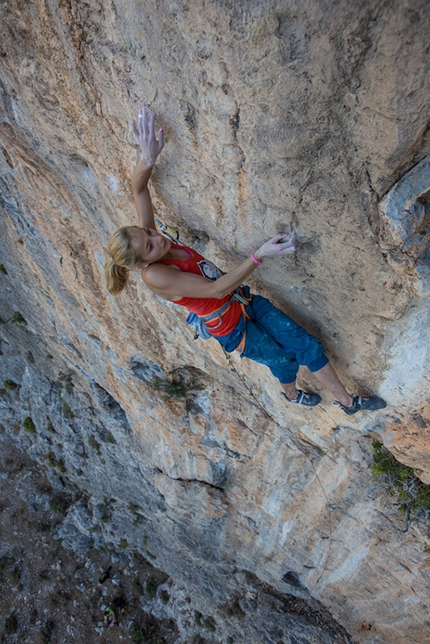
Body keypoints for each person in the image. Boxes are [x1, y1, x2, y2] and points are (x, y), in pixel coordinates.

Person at [104, 108, 386, 415]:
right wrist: (259, 255)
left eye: (148, 231)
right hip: (231, 326)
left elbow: (139, 188)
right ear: (140, 263)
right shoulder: (154, 276)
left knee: (305, 344)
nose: (158, 238)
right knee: (284, 360)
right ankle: (291, 396)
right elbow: (214, 289)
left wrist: (148, 157)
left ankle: (348, 402)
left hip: (243, 300)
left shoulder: (153, 243)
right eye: (149, 245)